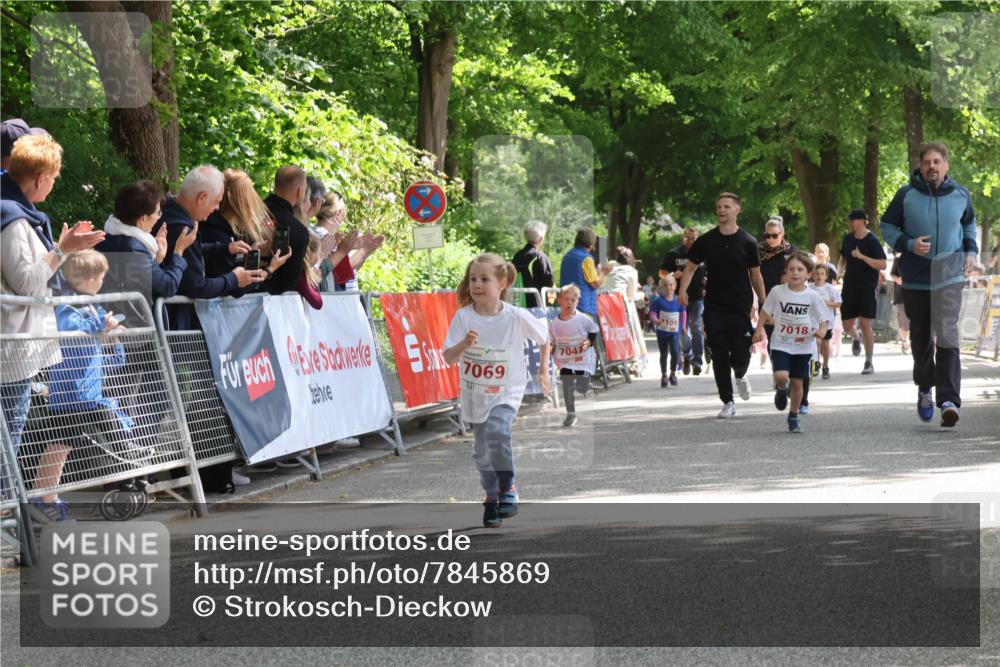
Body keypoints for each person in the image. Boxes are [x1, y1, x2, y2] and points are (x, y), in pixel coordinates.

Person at [1, 133, 104, 515]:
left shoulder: (18, 214)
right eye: (55, 178)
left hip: (16, 347)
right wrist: (63, 250)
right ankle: (7, 524)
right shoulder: (12, 219)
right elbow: (26, 283)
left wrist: (61, 249)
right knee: (7, 443)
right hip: (11, 350)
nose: (54, 184)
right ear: (41, 177)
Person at [43, 251, 155, 519]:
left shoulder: (92, 305)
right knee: (91, 426)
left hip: (86, 391)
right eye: (102, 277)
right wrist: (100, 324)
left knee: (60, 446)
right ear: (90, 279)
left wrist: (114, 334)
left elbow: (106, 332)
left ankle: (46, 496)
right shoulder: (68, 305)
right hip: (72, 393)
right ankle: (130, 458)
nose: (103, 282)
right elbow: (70, 329)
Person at [443, 253, 550, 528]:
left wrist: (543, 371)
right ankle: (491, 496)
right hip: (475, 393)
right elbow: (448, 357)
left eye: (484, 279)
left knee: (498, 431)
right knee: (482, 451)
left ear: (502, 283)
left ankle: (507, 486)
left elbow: (545, 338)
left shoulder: (515, 316)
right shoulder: (463, 317)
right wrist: (464, 345)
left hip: (507, 389)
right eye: (473, 279)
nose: (477, 285)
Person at [880, 141, 978, 427]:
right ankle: (925, 387)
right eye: (927, 163)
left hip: (950, 276)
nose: (931, 166)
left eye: (936, 162)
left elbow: (968, 225)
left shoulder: (960, 195)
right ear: (921, 167)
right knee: (921, 337)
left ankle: (949, 400)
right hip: (917, 279)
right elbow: (887, 226)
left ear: (946, 165)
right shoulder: (906, 195)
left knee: (947, 334)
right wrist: (908, 244)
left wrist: (971, 252)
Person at [680, 193, 767, 418]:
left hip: (740, 306)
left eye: (727, 206)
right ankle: (728, 401)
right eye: (719, 206)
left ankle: (740, 374)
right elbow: (690, 268)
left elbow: (756, 275)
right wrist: (682, 290)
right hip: (714, 307)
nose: (721, 210)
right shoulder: (706, 240)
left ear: (737, 210)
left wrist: (763, 302)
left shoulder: (748, 241)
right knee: (719, 354)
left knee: (740, 354)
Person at [156, 165, 267, 329]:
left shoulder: (167, 211)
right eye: (216, 202)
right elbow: (197, 286)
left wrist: (224, 248)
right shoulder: (183, 229)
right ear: (202, 197)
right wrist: (234, 279)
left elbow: (191, 251)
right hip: (174, 322)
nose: (217, 208)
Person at [753, 252, 832, 433]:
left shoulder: (812, 296)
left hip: (803, 345)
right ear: (786, 272)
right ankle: (782, 389)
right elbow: (765, 312)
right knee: (781, 375)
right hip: (781, 342)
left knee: (797, 383)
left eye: (800, 269)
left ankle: (794, 416)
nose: (795, 273)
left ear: (808, 274)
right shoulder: (777, 291)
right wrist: (758, 330)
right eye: (791, 269)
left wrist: (821, 331)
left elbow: (824, 318)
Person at [97, 180, 195, 304]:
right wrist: (179, 252)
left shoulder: (106, 237)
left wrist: (157, 259)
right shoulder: (133, 248)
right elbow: (167, 286)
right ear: (143, 219)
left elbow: (138, 278)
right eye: (158, 213)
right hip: (132, 315)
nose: (159, 217)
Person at [200, 168, 280, 288]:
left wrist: (250, 256)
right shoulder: (217, 233)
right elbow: (235, 286)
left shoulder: (223, 229)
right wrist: (270, 269)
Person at [838, 209, 887, 375]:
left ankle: (868, 362)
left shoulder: (872, 240)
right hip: (849, 285)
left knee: (866, 324)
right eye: (849, 220)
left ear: (862, 221)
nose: (849, 223)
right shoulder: (847, 239)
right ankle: (856, 337)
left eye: (852, 220)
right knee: (846, 326)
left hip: (867, 286)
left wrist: (862, 257)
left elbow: (882, 264)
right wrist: (840, 270)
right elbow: (843, 258)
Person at [549, 284, 598, 427]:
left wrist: (589, 341)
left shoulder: (582, 318)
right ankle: (571, 414)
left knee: (582, 388)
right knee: (567, 384)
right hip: (565, 361)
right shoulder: (554, 323)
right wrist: (550, 349)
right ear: (560, 301)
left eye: (572, 300)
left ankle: (584, 384)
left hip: (583, 360)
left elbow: (594, 329)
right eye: (566, 299)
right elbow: (551, 341)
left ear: (577, 302)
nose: (569, 303)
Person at [660, 227, 705, 375]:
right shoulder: (674, 253)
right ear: (683, 238)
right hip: (678, 298)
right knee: (681, 330)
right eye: (687, 238)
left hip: (697, 297)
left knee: (696, 328)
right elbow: (662, 272)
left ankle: (697, 361)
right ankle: (687, 355)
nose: (690, 241)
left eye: (693, 238)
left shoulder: (703, 253)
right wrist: (673, 274)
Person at [264, 166, 311, 295]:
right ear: (299, 191)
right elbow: (290, 282)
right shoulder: (298, 231)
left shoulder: (251, 213)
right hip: (276, 300)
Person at [649, 275, 685, 387]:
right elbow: (652, 314)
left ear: (675, 286)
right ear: (662, 287)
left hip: (675, 332)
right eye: (666, 285)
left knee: (675, 352)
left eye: (670, 285)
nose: (668, 287)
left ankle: (673, 373)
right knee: (663, 353)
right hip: (662, 332)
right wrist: (656, 320)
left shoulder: (678, 300)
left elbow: (683, 313)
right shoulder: (658, 301)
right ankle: (664, 375)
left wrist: (683, 326)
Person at [511, 220, 554, 308]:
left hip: (518, 303)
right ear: (541, 239)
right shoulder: (541, 257)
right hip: (537, 305)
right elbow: (550, 282)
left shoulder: (517, 255)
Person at [559, 229, 601, 317]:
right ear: (591, 245)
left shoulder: (567, 255)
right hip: (583, 307)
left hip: (566, 306)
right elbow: (595, 284)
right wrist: (604, 272)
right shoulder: (586, 259)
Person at [811, 263, 842, 378]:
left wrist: (828, 303)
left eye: (822, 274)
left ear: (826, 276)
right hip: (814, 320)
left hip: (827, 320)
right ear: (812, 275)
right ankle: (816, 362)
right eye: (817, 274)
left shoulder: (829, 288)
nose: (819, 276)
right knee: (816, 342)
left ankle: (825, 365)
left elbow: (839, 303)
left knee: (825, 344)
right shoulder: (809, 288)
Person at [889, 256, 910, 355]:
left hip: (917, 295)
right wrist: (898, 279)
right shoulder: (898, 259)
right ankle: (905, 341)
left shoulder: (921, 256)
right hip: (901, 296)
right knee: (904, 323)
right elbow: (892, 274)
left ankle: (911, 342)